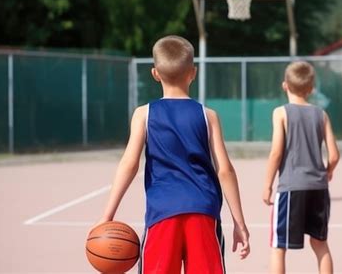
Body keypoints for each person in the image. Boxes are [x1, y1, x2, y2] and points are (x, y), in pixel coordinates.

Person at [92, 35, 250, 274]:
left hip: (163, 212)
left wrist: (107, 215)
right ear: (193, 73)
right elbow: (225, 170)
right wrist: (239, 222)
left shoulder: (144, 114)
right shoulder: (208, 116)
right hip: (203, 211)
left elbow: (129, 164)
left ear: (155, 74)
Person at [262, 61, 340, 274]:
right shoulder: (321, 115)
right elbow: (334, 155)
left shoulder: (281, 113)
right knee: (320, 244)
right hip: (319, 189)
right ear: (311, 89)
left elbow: (276, 152)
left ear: (284, 85)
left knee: (279, 247)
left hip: (290, 188)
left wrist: (267, 186)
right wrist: (328, 171)